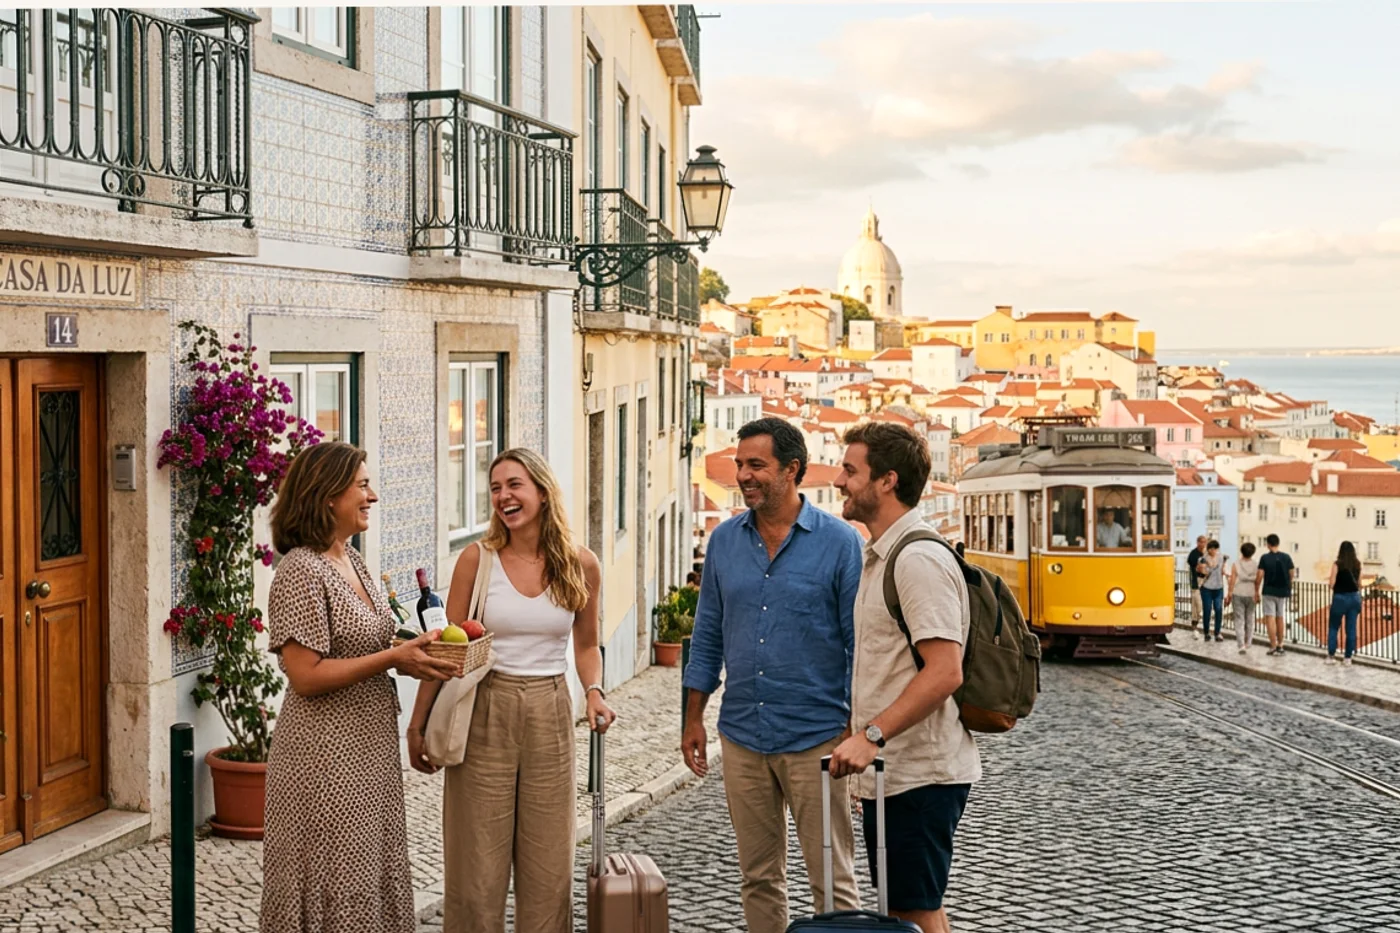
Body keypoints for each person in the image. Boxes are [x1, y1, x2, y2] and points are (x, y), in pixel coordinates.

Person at [406, 448, 616, 933]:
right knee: (475, 864)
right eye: (496, 487)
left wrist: (595, 691)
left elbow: (586, 647)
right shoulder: (477, 561)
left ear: (542, 491)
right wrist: (416, 726)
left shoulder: (581, 565)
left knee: (549, 864)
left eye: (514, 485)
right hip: (484, 707)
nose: (503, 496)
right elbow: (445, 651)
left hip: (550, 709)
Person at [261, 442, 460, 933]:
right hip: (323, 756)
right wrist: (393, 657)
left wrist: (411, 657)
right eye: (362, 485)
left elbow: (363, 648)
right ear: (327, 495)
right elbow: (305, 675)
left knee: (368, 870)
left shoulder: (351, 558)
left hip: (368, 748)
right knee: (335, 876)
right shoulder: (300, 570)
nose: (373, 495)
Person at [681, 417, 864, 933]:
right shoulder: (723, 543)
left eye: (756, 465)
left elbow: (859, 646)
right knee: (758, 877)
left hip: (817, 740)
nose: (743, 475)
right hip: (741, 735)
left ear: (792, 470)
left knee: (832, 880)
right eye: (740, 464)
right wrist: (692, 718)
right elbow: (707, 635)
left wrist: (856, 730)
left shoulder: (840, 543)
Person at [829, 423, 979, 933]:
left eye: (851, 470)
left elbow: (944, 671)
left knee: (914, 911)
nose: (838, 480)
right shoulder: (884, 555)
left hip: (921, 773)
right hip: (896, 773)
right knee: (907, 910)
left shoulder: (917, 560)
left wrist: (872, 736)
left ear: (887, 481)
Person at [1258, 534, 1296, 656]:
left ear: (1268, 544)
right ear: (1278, 543)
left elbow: (1259, 575)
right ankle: (1281, 644)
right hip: (1283, 591)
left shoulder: (1264, 558)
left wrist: (1256, 589)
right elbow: (1291, 573)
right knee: (1280, 617)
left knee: (1270, 618)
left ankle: (1273, 646)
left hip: (1269, 591)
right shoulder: (1286, 557)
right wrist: (1288, 584)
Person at [1326, 541, 1362, 666]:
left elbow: (1332, 583)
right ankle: (1348, 658)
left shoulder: (1337, 564)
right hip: (1354, 598)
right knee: (1351, 629)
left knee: (1334, 627)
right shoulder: (1357, 564)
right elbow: (1360, 584)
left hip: (1340, 598)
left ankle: (1331, 656)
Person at [1229, 542, 1260, 655]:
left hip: (1238, 593)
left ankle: (1241, 644)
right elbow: (1258, 580)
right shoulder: (1256, 565)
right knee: (1250, 618)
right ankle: (1248, 642)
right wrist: (1257, 593)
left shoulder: (1236, 564)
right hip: (1251, 593)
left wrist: (1229, 593)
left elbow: (1232, 580)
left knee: (1239, 619)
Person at [1198, 540, 1227, 642]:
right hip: (1206, 588)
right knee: (1207, 610)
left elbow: (1222, 570)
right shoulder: (1203, 559)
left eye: (1215, 549)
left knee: (1219, 610)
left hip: (1218, 588)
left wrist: (1226, 574)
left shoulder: (1221, 557)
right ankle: (1206, 633)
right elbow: (1201, 571)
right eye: (1211, 549)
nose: (1213, 551)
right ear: (1208, 549)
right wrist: (1206, 566)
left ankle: (1217, 632)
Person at [1186, 535, 1207, 638]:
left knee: (1200, 606)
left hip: (1206, 583)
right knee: (1197, 606)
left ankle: (1196, 627)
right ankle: (1194, 627)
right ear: (1197, 542)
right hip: (1196, 583)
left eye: (1204, 542)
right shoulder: (1193, 554)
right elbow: (1197, 568)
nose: (1203, 544)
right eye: (1201, 542)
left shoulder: (1206, 554)